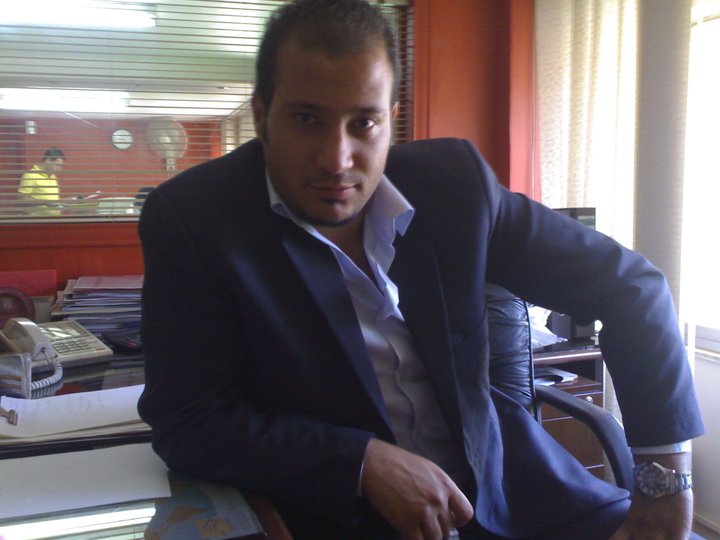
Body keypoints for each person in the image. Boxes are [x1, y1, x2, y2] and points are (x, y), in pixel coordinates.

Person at [137, 1, 704, 538]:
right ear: (263, 115)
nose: (336, 159)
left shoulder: (454, 185)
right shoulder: (195, 220)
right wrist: (362, 462)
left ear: (391, 120)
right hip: (341, 514)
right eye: (307, 119)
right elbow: (189, 421)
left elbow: (632, 288)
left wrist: (663, 481)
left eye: (363, 123)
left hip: (514, 494)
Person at [18, 148, 65, 216]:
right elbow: (22, 199)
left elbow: (52, 201)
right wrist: (45, 202)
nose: (59, 169)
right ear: (48, 160)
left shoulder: (53, 176)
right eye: (57, 165)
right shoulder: (31, 175)